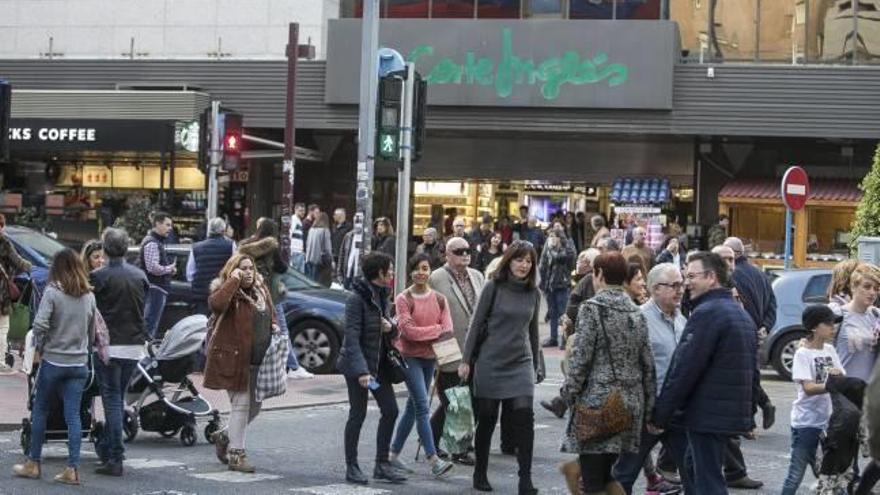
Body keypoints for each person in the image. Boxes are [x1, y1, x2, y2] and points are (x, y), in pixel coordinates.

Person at [651, 252, 757, 495]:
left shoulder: (708, 313)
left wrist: (660, 414)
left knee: (708, 481)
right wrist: (749, 412)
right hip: (721, 413)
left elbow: (684, 368)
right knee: (692, 466)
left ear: (711, 277)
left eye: (691, 276)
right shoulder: (738, 313)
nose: (686, 283)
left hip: (707, 415)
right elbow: (752, 371)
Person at [560, 252, 656, 495]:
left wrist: (568, 393)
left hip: (598, 405)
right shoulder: (637, 312)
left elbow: (580, 360)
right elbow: (648, 365)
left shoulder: (592, 309)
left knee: (592, 480)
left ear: (599, 274)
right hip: (629, 405)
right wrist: (649, 406)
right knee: (605, 474)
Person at [460, 240, 543, 494]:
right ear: (509, 260)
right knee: (486, 420)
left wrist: (538, 362)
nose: (524, 265)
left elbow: (533, 329)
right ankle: (480, 472)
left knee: (524, 418)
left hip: (521, 362)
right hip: (490, 362)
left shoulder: (533, 293)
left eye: (529, 261)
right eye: (519, 260)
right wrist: (465, 360)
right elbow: (475, 324)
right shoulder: (492, 287)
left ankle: (525, 479)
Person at [13, 249, 96, 485]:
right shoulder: (89, 295)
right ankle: (72, 468)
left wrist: (40, 345)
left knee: (40, 410)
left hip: (53, 361)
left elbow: (39, 324)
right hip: (79, 364)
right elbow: (91, 333)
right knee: (73, 415)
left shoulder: (53, 292)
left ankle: (33, 463)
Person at [612, 263, 686, 495]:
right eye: (673, 285)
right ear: (655, 289)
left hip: (676, 411)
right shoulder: (638, 319)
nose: (680, 290)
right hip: (645, 413)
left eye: (681, 284)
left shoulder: (681, 320)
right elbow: (625, 369)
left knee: (692, 468)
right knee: (625, 472)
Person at [337, 252, 406, 485]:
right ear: (380, 273)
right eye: (390, 269)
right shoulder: (357, 299)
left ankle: (381, 464)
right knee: (358, 413)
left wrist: (391, 328)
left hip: (378, 369)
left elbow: (390, 329)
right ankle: (352, 466)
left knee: (391, 409)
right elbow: (352, 338)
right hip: (359, 369)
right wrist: (362, 372)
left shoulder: (382, 294)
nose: (393, 273)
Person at [204, 253, 276, 473]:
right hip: (233, 359)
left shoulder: (261, 291)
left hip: (258, 362)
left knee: (255, 407)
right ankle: (236, 456)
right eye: (242, 268)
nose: (248, 272)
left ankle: (224, 436)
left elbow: (271, 314)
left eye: (250, 268)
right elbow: (215, 304)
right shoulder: (228, 293)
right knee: (242, 405)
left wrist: (274, 326)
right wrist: (232, 280)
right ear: (233, 270)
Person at [388, 254, 455, 478]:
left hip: (430, 358)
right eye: (416, 269)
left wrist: (431, 332)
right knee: (422, 406)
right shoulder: (403, 298)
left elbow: (448, 329)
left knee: (412, 406)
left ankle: (393, 454)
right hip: (409, 357)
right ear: (410, 272)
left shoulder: (439, 299)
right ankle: (433, 458)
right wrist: (435, 330)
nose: (421, 273)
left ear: (430, 270)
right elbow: (408, 332)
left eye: (425, 268)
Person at [90, 227, 149, 477]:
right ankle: (109, 449)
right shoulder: (139, 276)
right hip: (134, 344)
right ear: (127, 247)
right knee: (119, 396)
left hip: (108, 344)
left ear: (104, 248)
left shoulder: (98, 276)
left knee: (112, 399)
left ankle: (115, 455)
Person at [428, 236, 485, 466]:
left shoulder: (478, 276)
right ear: (447, 254)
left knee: (470, 398)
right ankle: (456, 448)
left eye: (467, 250)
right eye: (458, 251)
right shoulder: (437, 278)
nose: (464, 254)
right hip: (447, 346)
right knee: (454, 400)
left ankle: (441, 441)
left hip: (475, 347)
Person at [780, 305, 845, 495]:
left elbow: (842, 376)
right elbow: (808, 388)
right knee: (795, 474)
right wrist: (832, 383)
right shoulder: (802, 354)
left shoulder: (830, 349)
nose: (833, 327)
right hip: (806, 424)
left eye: (834, 323)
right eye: (829, 323)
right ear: (815, 327)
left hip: (829, 422)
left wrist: (836, 375)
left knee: (831, 475)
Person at [239, 218, 313, 380]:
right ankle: (293, 367)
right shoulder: (271, 247)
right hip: (269, 295)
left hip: (250, 295)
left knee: (254, 331)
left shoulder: (245, 246)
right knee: (281, 331)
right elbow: (282, 267)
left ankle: (248, 365)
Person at [724, 237, 777, 431]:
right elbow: (772, 304)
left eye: (726, 256)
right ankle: (762, 406)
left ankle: (750, 418)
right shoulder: (760, 274)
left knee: (744, 377)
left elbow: (739, 308)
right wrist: (766, 327)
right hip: (755, 333)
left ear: (734, 255)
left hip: (740, 334)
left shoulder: (732, 277)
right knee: (750, 374)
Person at [540, 248, 601, 419]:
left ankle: (565, 402)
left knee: (578, 369)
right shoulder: (585, 279)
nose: (578, 263)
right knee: (577, 369)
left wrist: (570, 317)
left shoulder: (589, 280)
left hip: (583, 332)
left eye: (583, 260)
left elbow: (573, 304)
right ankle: (563, 402)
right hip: (581, 330)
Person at [836, 263, 880, 382]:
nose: (872, 292)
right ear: (853, 287)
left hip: (869, 394)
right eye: (867, 287)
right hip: (843, 392)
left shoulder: (877, 315)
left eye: (876, 289)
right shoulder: (839, 314)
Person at [139, 211, 177, 340]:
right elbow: (152, 268)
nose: (170, 228)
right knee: (150, 325)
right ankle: (145, 354)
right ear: (157, 224)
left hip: (156, 288)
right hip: (155, 288)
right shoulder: (152, 242)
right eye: (167, 225)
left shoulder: (155, 241)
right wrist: (169, 269)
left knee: (151, 324)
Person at [187, 217, 234, 316]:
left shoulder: (196, 247)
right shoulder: (231, 245)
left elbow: (190, 274)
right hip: (222, 292)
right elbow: (235, 267)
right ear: (223, 230)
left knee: (201, 325)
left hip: (201, 294)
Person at [539, 230, 576, 349]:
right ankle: (553, 338)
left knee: (563, 314)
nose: (551, 239)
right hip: (550, 286)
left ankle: (565, 339)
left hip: (562, 285)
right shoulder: (549, 250)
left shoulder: (566, 249)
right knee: (552, 313)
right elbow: (544, 265)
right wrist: (543, 283)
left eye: (553, 236)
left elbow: (560, 258)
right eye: (549, 236)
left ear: (560, 238)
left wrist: (550, 249)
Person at [305, 212, 334, 286]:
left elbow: (307, 244)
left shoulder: (311, 230)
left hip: (309, 260)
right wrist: (331, 260)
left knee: (310, 283)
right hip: (320, 262)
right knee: (320, 285)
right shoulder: (325, 230)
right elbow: (328, 248)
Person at [289, 203, 306, 272]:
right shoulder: (294, 219)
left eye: (304, 210)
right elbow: (290, 234)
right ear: (295, 210)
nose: (303, 212)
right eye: (301, 210)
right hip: (295, 250)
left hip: (298, 251)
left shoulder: (299, 221)